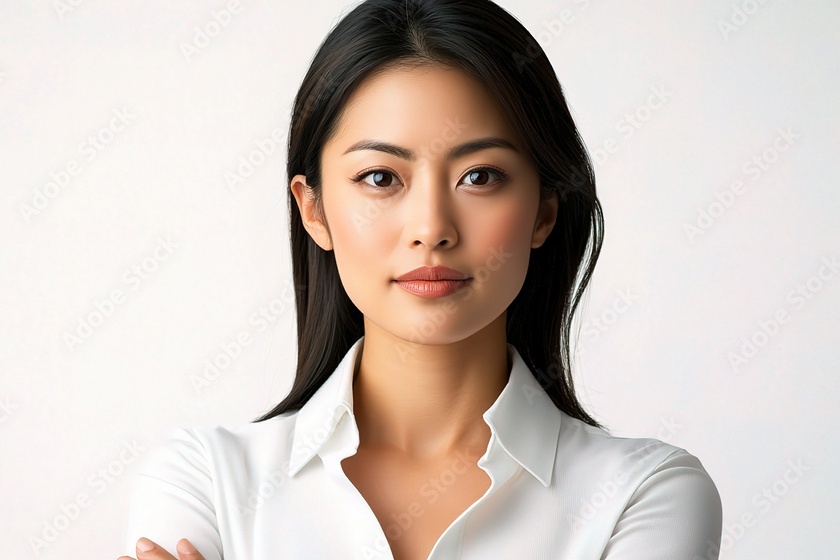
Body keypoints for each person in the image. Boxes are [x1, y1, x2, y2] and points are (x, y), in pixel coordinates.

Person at [119, 1, 723, 558]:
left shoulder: (645, 494)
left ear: (544, 209)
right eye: (381, 178)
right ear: (314, 210)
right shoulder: (204, 482)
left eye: (481, 176)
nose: (431, 228)